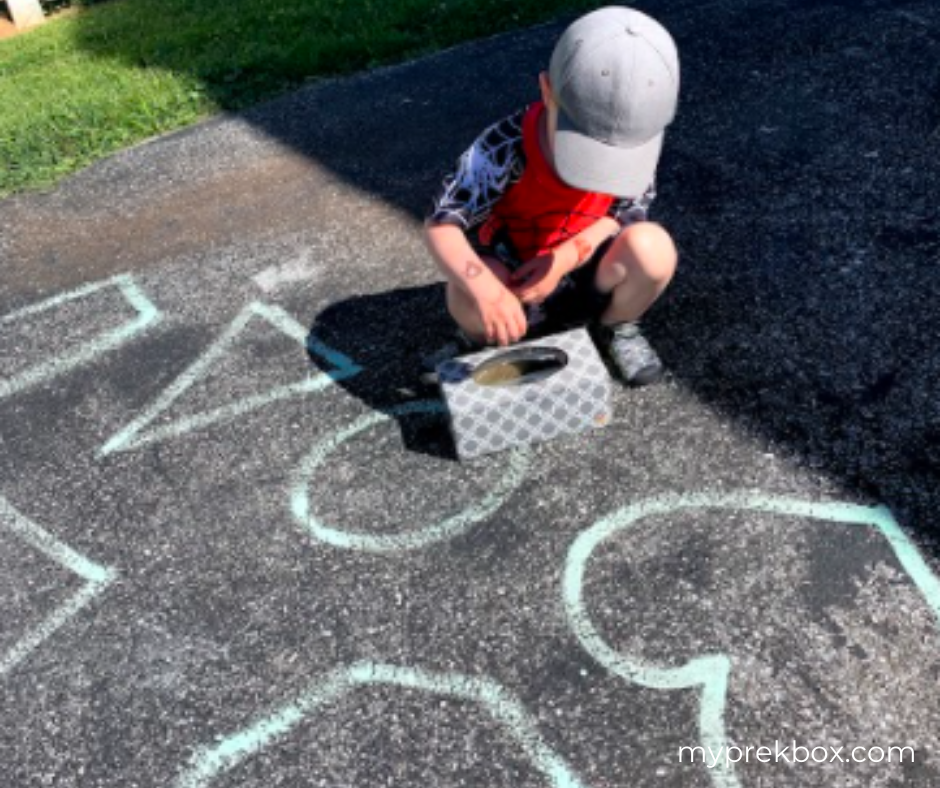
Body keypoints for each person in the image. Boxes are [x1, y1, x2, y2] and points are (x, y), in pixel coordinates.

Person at [424, 6, 680, 386]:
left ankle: (615, 325)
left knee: (653, 249)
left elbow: (628, 214)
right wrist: (487, 291)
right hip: (515, 282)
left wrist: (564, 257)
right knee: (465, 294)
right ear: (547, 91)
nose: (606, 163)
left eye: (619, 152)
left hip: (589, 274)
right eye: (586, 144)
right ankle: (485, 336)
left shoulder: (637, 138)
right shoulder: (505, 148)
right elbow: (442, 224)